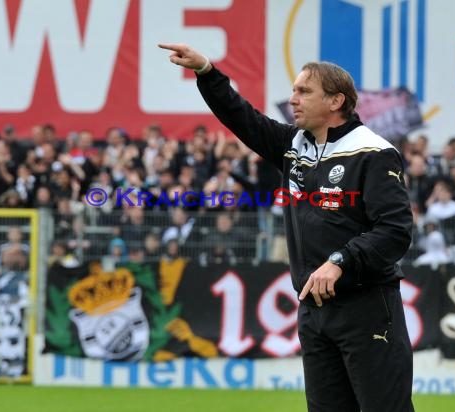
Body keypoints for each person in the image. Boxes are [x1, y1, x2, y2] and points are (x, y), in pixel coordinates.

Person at [159, 43, 414, 412]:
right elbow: (240, 116)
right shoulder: (292, 146)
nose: (292, 99)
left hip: (366, 308)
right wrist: (206, 72)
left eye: (303, 91)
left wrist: (341, 260)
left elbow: (395, 231)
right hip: (313, 310)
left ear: (335, 101)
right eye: (294, 90)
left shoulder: (374, 152)